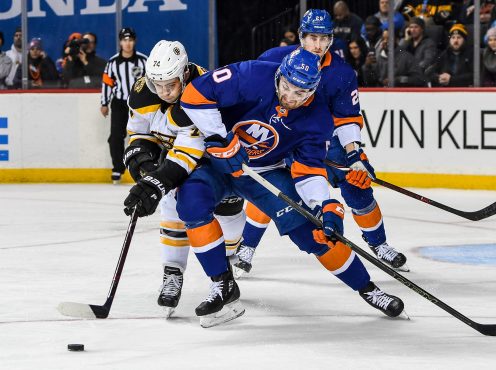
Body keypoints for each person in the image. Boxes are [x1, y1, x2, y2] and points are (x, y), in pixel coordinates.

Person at [173, 48, 404, 327]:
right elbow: (193, 95)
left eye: (300, 94)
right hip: (217, 166)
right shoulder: (252, 74)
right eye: (286, 87)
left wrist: (326, 205)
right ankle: (222, 284)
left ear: (313, 91)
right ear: (279, 75)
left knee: (315, 234)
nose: (290, 98)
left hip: (265, 173)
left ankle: (368, 288)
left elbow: (308, 171)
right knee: (190, 202)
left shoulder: (317, 118)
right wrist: (220, 139)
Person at [242, 9, 409, 277]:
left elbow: (347, 118)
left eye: (323, 38)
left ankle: (379, 244)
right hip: (284, 138)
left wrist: (354, 155)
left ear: (331, 39)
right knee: (272, 188)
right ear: (301, 37)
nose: (317, 45)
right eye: (312, 38)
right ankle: (246, 246)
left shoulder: (342, 72)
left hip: (329, 142)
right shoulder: (274, 59)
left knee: (358, 190)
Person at [122, 40, 247, 317]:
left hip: (215, 160)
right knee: (174, 205)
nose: (164, 92)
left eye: (171, 85)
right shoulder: (144, 92)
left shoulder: (203, 91)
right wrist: (143, 162)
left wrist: (158, 180)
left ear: (185, 75)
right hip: (178, 158)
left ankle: (225, 264)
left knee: (230, 216)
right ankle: (173, 272)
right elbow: (138, 132)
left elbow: (190, 151)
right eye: (158, 85)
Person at [100, 28, 147, 184]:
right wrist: (104, 103)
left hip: (139, 104)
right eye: (125, 40)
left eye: (130, 40)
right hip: (119, 104)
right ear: (120, 42)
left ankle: (143, 166)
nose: (128, 43)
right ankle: (118, 168)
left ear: (135, 41)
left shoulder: (143, 60)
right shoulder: (113, 62)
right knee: (115, 137)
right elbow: (107, 84)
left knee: (142, 136)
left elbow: (151, 82)